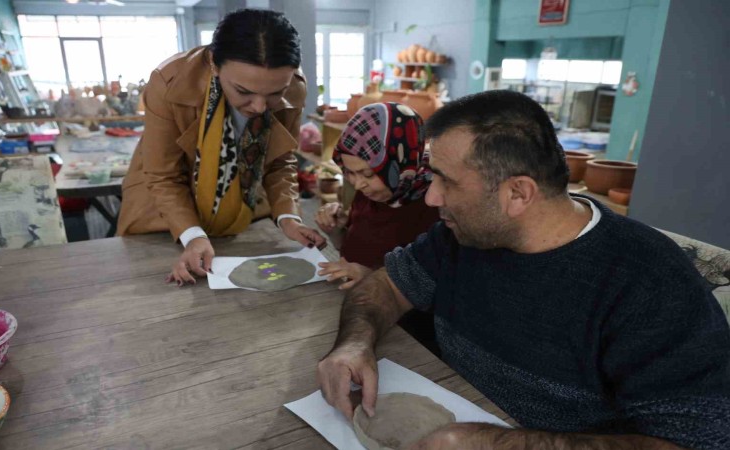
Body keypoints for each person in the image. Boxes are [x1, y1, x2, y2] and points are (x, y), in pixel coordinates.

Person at [316, 90, 730, 449]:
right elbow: (387, 286)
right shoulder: (460, 235)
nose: (431, 198)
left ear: (517, 193)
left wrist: (497, 444)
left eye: (446, 182)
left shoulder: (651, 284)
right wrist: (354, 343)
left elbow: (697, 441)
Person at [117, 9, 325, 286]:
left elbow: (279, 160)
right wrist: (192, 235)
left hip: (242, 215)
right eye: (244, 91)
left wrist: (288, 218)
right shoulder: (170, 81)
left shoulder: (294, 87)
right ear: (214, 64)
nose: (259, 107)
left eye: (275, 94)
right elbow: (163, 175)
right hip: (164, 218)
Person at [314, 102, 439, 290]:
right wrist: (336, 231)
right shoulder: (371, 192)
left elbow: (433, 287)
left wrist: (373, 278)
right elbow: (354, 251)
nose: (358, 184)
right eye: (350, 172)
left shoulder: (434, 205)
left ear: (399, 163)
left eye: (368, 174)